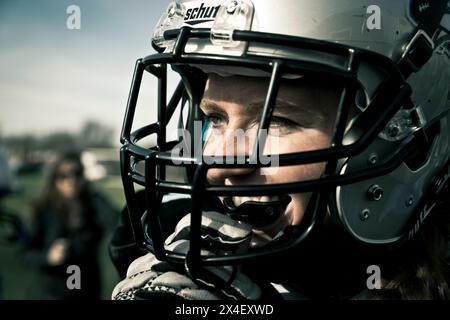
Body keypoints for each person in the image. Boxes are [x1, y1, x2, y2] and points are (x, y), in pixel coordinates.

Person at [110, 0, 450, 300]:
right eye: (214, 118)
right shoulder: (170, 239)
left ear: (405, 138)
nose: (217, 164)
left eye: (275, 122)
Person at [22, 151, 114, 300]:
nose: (71, 180)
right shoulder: (42, 209)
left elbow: (117, 223)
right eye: (63, 175)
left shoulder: (92, 205)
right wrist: (47, 256)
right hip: (54, 292)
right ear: (54, 179)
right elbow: (25, 252)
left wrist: (94, 192)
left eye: (77, 174)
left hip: (88, 291)